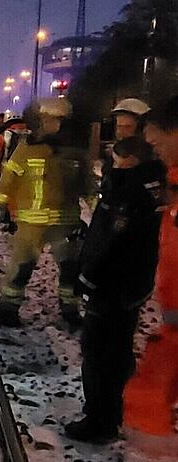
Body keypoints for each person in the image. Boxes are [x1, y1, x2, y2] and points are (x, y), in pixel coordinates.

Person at [63, 136, 166, 444]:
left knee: (99, 353)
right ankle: (113, 411)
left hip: (111, 287)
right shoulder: (152, 189)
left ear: (131, 161)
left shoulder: (127, 192)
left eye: (119, 160)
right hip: (130, 287)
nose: (114, 165)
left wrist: (87, 278)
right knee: (117, 351)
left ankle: (99, 421)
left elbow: (110, 242)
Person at [116, 97, 178, 462]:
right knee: (146, 400)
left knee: (149, 400)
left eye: (157, 140)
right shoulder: (172, 186)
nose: (153, 147)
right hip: (171, 331)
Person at [0, 98, 94, 327]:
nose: (50, 124)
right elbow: (9, 178)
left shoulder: (75, 153)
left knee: (69, 270)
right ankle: (8, 308)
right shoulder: (25, 148)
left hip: (65, 222)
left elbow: (87, 186)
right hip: (31, 224)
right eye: (47, 120)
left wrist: (98, 210)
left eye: (55, 120)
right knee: (21, 268)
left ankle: (70, 309)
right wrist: (0, 203)